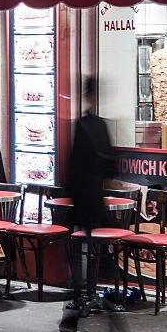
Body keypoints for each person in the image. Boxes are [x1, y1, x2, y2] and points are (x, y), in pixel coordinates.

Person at [65, 76, 115, 304]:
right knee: (95, 243)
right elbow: (111, 165)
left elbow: (75, 162)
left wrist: (69, 190)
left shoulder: (82, 125)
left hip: (82, 193)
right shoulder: (101, 125)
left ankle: (79, 292)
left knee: (79, 244)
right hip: (96, 192)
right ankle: (92, 290)